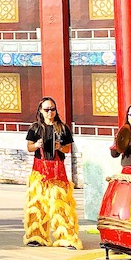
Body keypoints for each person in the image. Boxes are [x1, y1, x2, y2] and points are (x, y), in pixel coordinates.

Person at [24, 98, 81, 249]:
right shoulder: (35, 128)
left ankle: (67, 238)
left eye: (52, 109)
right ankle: (36, 236)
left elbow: (68, 149)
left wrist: (59, 147)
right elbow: (29, 147)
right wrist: (36, 145)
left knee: (61, 205)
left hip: (57, 170)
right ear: (40, 111)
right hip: (39, 171)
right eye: (47, 109)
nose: (50, 112)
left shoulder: (62, 128)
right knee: (38, 205)